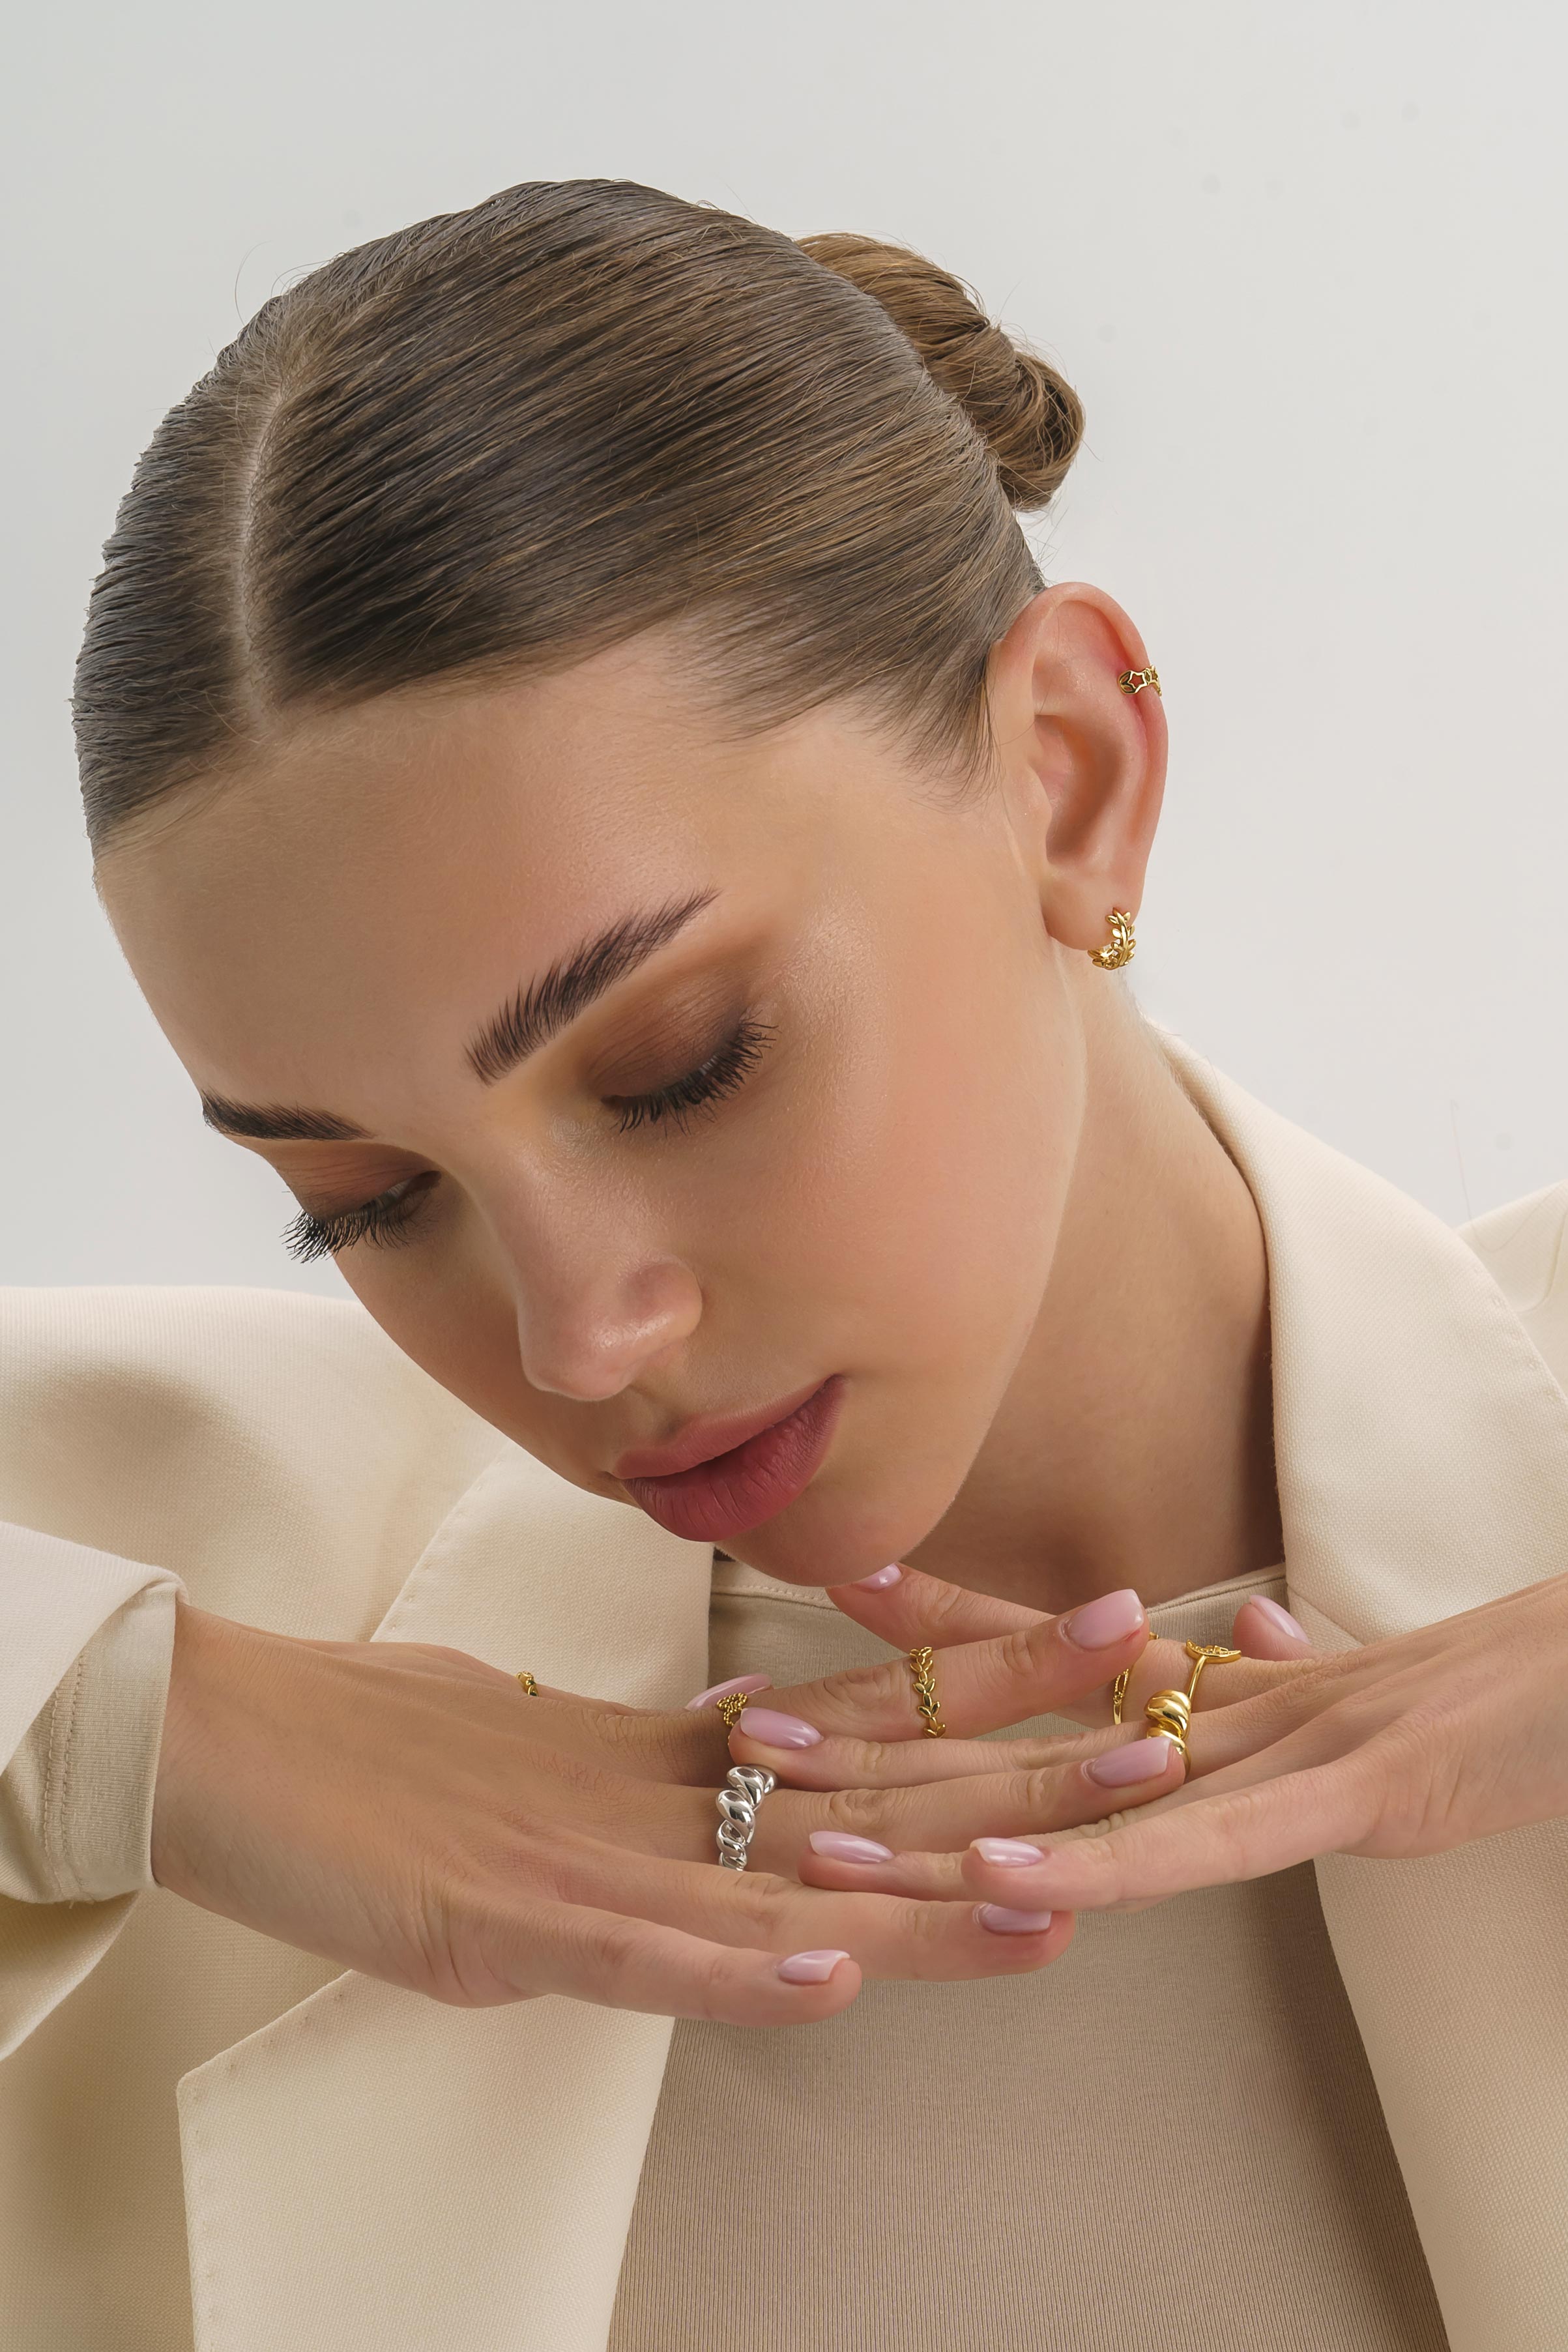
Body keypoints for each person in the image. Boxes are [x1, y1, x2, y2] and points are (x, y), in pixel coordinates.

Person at [2, 177, 1565, 2352]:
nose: (580, 1335)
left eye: (678, 1064)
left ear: (1071, 777)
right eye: (364, 1197)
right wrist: (129, 1724)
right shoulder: (163, 1572)